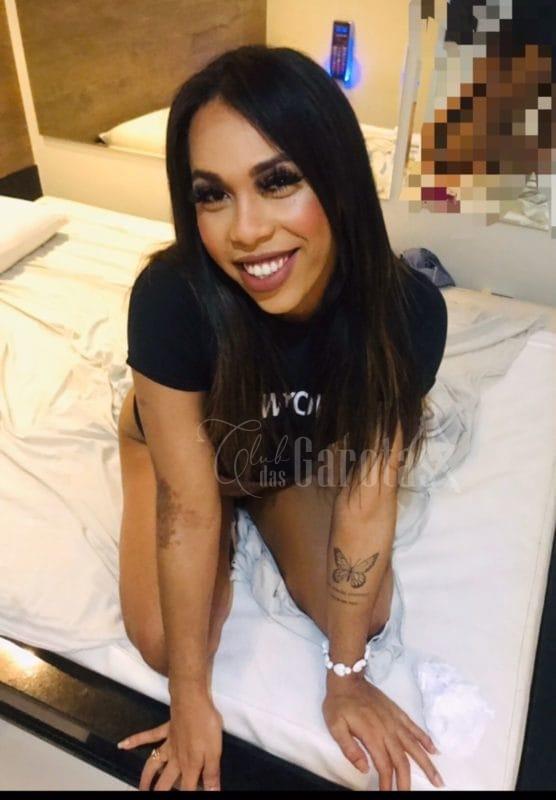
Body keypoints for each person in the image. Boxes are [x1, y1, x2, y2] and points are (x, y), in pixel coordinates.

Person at [116, 45, 447, 792]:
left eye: (277, 181)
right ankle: (173, 471)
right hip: (185, 451)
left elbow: (368, 495)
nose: (246, 231)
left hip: (280, 459)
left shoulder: (407, 315)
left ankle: (255, 501)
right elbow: (188, 507)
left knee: (364, 611)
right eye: (213, 195)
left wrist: (346, 678)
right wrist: (190, 696)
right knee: (167, 643)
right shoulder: (171, 300)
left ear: (337, 175)